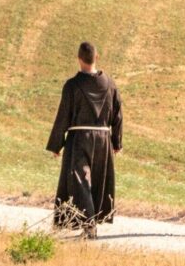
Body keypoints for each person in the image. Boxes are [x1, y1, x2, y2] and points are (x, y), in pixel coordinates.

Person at [46, 42, 123, 239]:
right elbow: (118, 115)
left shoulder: (72, 85)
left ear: (79, 59)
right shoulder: (110, 84)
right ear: (97, 57)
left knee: (80, 181)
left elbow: (63, 115)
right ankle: (92, 222)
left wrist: (57, 144)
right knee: (97, 181)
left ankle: (89, 224)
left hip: (79, 138)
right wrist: (117, 142)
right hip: (103, 139)